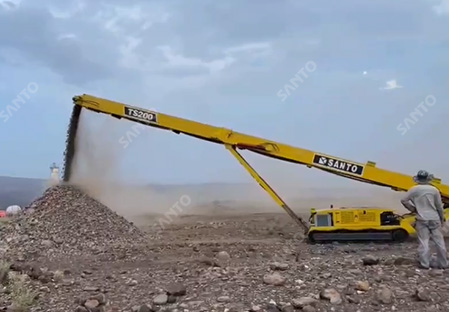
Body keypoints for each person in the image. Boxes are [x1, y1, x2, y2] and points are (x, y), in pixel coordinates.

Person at [400, 170, 447, 269]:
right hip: (434, 218)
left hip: (421, 218)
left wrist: (413, 209)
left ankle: (425, 264)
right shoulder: (434, 190)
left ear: (418, 178)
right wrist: (442, 218)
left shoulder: (414, 189)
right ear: (428, 178)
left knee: (424, 242)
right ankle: (443, 264)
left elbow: (404, 200)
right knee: (439, 242)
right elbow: (439, 206)